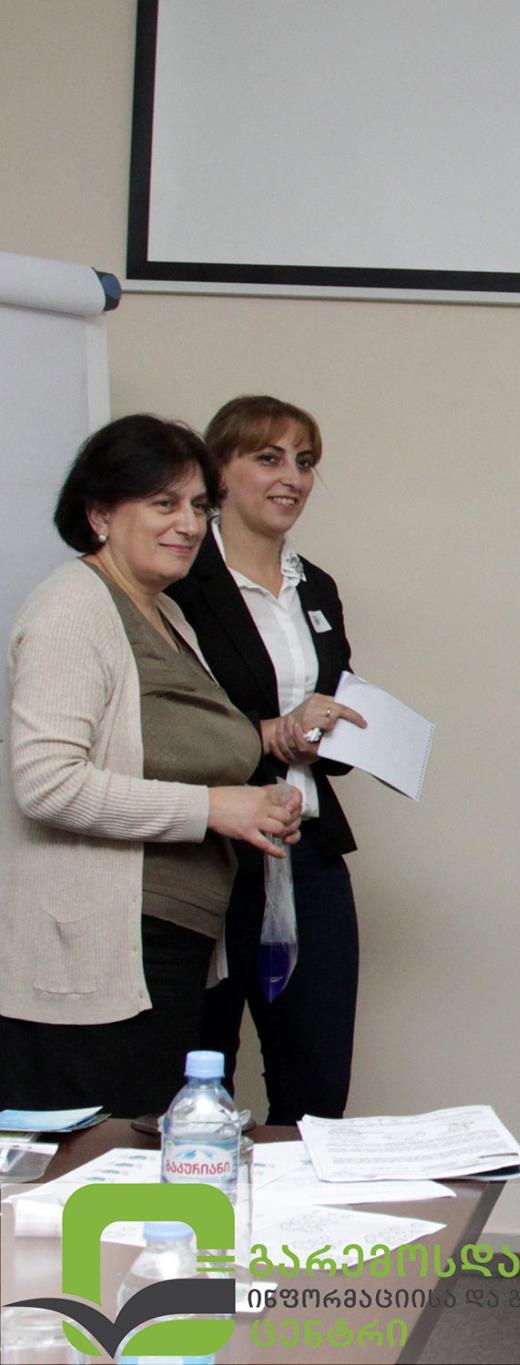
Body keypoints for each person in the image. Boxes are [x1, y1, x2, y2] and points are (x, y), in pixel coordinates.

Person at [0, 415, 302, 1118]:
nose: (189, 524)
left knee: (150, 1159)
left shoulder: (166, 615)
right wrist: (214, 808)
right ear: (100, 513)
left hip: (160, 946)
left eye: (198, 506)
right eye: (163, 503)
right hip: (95, 956)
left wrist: (253, 801)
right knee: (91, 1169)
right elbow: (46, 783)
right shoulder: (74, 606)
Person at [165, 396, 367, 1124]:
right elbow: (166, 723)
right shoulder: (177, 579)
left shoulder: (317, 585)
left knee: (316, 1080)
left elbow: (333, 698)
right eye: (269, 457)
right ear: (219, 471)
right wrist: (272, 733)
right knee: (195, 1073)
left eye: (305, 463)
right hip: (208, 851)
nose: (293, 478)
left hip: (307, 847)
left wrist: (349, 731)